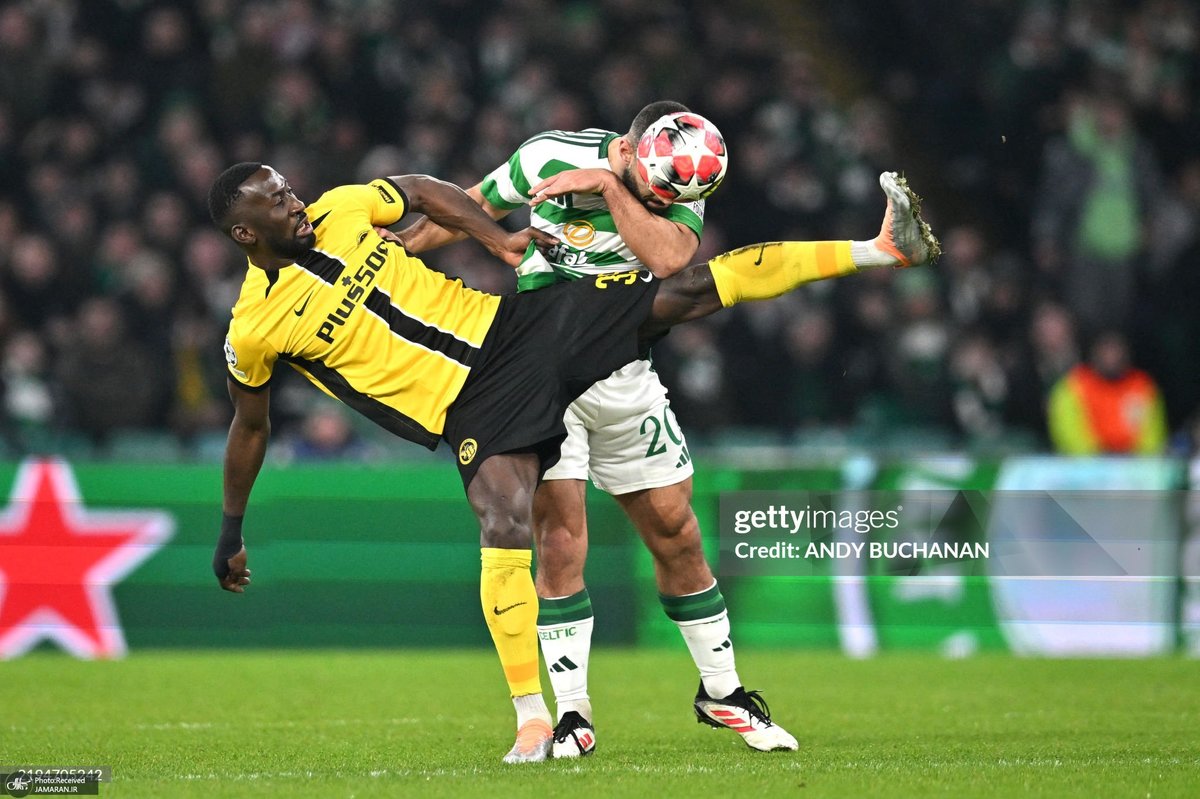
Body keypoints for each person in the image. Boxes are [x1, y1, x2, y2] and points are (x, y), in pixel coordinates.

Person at [206, 161, 937, 763]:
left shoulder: (341, 208)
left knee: (684, 291)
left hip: (517, 332)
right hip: (468, 407)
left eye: (288, 189)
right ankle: (536, 716)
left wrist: (497, 239)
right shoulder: (254, 327)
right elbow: (250, 426)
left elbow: (422, 191)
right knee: (506, 524)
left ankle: (882, 249)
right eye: (276, 201)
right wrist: (231, 528)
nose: (294, 202)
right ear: (245, 232)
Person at [391, 101, 794, 756]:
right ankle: (572, 713)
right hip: (542, 376)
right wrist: (406, 244)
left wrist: (608, 188)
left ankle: (722, 692)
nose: (665, 199)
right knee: (558, 539)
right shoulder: (548, 155)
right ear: (632, 148)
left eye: (677, 196)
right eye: (655, 186)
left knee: (677, 532)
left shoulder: (684, 176)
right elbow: (478, 204)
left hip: (626, 371)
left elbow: (670, 259)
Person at [1046, 329, 1167, 455]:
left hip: (1135, 463)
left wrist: (1137, 461)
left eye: (1116, 350)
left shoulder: (1143, 387)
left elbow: (1152, 438)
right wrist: (1100, 460)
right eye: (1105, 350)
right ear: (1094, 353)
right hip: (1089, 464)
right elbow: (1070, 435)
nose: (1111, 357)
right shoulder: (1073, 386)